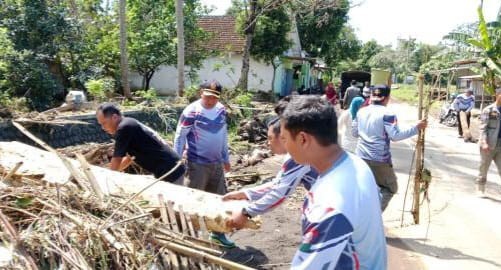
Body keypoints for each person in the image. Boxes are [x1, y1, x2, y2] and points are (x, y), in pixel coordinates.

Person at [278, 95, 386, 269]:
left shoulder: (329, 204)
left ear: (303, 139)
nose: (284, 147)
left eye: (284, 139)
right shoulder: (355, 163)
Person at [223, 98, 318, 228]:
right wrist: (245, 194)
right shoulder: (305, 147)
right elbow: (277, 184)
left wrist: (246, 213)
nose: (268, 143)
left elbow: (280, 193)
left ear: (284, 136)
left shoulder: (299, 155)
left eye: (270, 138)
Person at [173, 79, 234, 248]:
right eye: (207, 97)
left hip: (216, 164)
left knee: (219, 199)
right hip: (196, 164)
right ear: (201, 93)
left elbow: (223, 134)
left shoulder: (221, 110)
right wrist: (177, 160)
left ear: (219, 98)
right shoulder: (191, 111)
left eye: (214, 98)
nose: (210, 101)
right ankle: (189, 236)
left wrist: (225, 157)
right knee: (193, 200)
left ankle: (218, 234)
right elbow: (180, 137)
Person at [352, 85, 427, 211]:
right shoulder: (388, 114)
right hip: (379, 159)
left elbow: (354, 133)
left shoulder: (361, 111)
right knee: (390, 188)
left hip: (360, 156)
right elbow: (395, 136)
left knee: (367, 187)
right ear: (387, 98)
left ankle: (361, 215)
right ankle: (371, 218)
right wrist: (416, 128)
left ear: (371, 96)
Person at [96, 103, 185, 182]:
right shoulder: (129, 123)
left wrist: (107, 178)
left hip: (171, 171)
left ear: (114, 117)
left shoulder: (124, 128)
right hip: (171, 168)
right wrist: (109, 172)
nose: (103, 128)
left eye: (104, 123)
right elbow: (130, 158)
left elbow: (117, 159)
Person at [476, 87, 501, 195]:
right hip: (489, 144)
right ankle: (480, 189)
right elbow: (482, 128)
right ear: (497, 95)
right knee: (483, 167)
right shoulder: (489, 110)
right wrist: (484, 143)